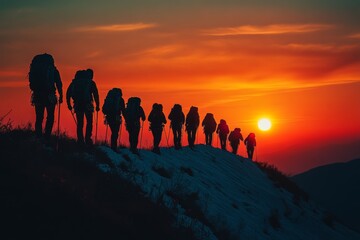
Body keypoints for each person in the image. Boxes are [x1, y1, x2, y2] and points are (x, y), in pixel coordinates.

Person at [28, 53, 63, 141]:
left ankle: (38, 136)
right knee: (50, 116)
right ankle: (47, 137)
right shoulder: (54, 70)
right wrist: (61, 95)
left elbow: (31, 83)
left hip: (38, 95)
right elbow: (59, 83)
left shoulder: (36, 69)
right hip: (50, 96)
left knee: (39, 117)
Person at [66, 69, 100, 146]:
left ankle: (80, 140)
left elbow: (68, 93)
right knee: (89, 122)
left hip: (78, 105)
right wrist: (98, 105)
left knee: (80, 123)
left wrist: (69, 105)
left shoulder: (75, 82)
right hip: (87, 104)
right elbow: (96, 95)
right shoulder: (91, 83)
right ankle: (88, 139)